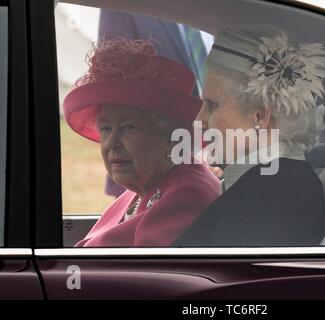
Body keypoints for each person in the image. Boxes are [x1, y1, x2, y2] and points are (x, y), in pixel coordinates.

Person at [173, 25, 325, 246]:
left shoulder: (271, 197)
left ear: (259, 116)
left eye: (211, 105)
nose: (198, 121)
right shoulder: (269, 184)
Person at [63, 38, 221, 247]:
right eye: (106, 129)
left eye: (128, 127)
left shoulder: (187, 194)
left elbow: (140, 276)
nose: (111, 143)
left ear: (169, 136)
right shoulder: (139, 189)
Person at [98, 9, 215, 197]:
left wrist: (217, 153)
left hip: (208, 165)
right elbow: (114, 87)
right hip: (147, 175)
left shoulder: (222, 10)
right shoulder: (125, 8)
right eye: (103, 129)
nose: (109, 141)